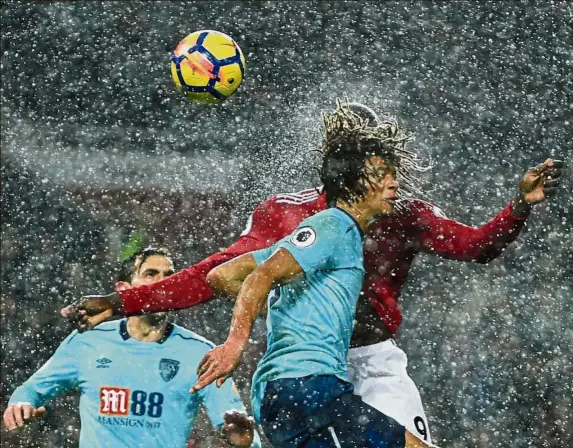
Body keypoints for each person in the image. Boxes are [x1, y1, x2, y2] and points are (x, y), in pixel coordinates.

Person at [61, 102, 564, 445]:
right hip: (307, 372)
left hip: (373, 362)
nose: (388, 176)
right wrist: (125, 301)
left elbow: (475, 247)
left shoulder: (403, 212)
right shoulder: (285, 214)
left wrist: (518, 205)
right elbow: (212, 274)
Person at [193, 104, 416, 447]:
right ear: (354, 182)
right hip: (307, 386)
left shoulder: (319, 237)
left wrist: (291, 308)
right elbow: (257, 277)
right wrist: (235, 343)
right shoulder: (334, 225)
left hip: (288, 391)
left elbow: (222, 276)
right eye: (383, 174)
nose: (394, 183)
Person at [5, 248, 261, 448]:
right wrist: (20, 404)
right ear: (123, 289)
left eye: (170, 276)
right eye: (150, 274)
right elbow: (31, 390)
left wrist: (245, 442)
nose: (163, 283)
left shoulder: (200, 352)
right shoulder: (88, 341)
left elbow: (238, 429)